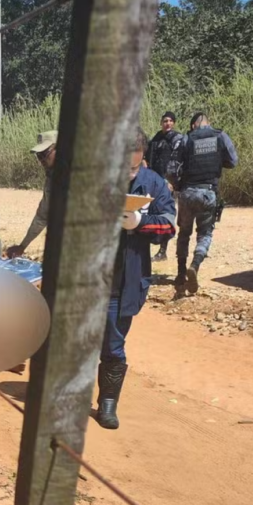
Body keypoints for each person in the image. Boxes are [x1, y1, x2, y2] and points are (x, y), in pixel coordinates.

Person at [96, 127, 176, 430]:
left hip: (125, 281)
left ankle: (107, 403)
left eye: (133, 167)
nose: (128, 173)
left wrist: (140, 222)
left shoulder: (153, 183)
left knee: (114, 344)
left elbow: (169, 225)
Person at [174, 112, 238, 295]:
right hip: (208, 193)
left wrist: (178, 186)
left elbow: (173, 167)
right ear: (208, 123)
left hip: (187, 193)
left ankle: (180, 273)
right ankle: (195, 265)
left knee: (184, 233)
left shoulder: (187, 138)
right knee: (205, 234)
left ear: (194, 125)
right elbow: (233, 161)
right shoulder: (220, 136)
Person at [5, 131, 57, 258]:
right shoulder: (51, 177)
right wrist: (22, 247)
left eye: (45, 154)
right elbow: (42, 217)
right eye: (39, 156)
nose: (42, 160)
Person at [145, 111, 184, 262]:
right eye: (165, 121)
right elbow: (147, 158)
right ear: (161, 123)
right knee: (151, 212)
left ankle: (163, 250)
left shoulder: (177, 139)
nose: (167, 123)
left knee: (165, 214)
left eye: (170, 121)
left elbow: (179, 162)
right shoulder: (155, 139)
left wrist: (172, 181)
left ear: (173, 123)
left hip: (168, 184)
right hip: (153, 181)